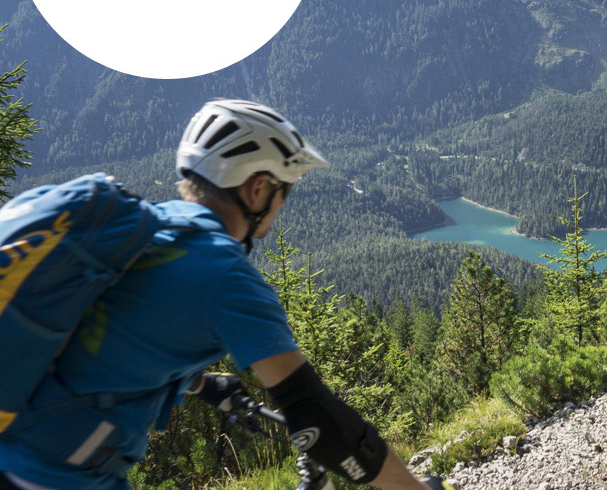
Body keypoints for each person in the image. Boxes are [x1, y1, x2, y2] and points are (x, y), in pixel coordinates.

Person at [0, 99, 447, 490]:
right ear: (257, 188)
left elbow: (125, 332)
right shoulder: (227, 277)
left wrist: (202, 383)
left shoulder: (150, 227)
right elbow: (318, 418)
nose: (283, 203)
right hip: (54, 476)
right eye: (283, 189)